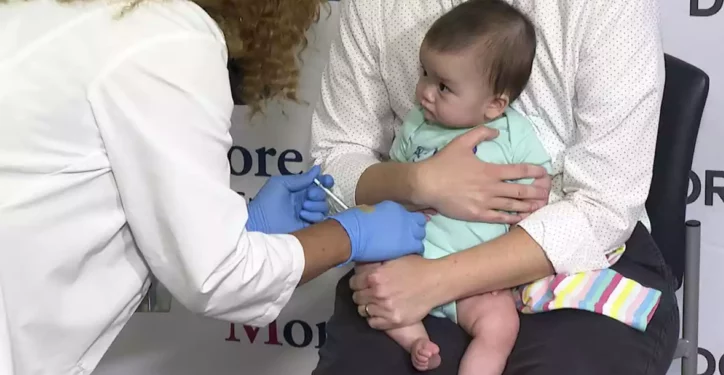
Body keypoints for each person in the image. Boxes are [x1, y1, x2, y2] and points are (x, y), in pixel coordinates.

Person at [0, 1, 428, 374]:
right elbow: (216, 277)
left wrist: (244, 225)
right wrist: (349, 234)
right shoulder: (163, 37)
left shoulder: (58, 15)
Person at [311, 0, 679, 374]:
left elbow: (605, 208)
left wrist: (437, 280)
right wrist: (419, 181)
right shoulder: (377, 9)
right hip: (417, 248)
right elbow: (335, 154)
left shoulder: (612, 8)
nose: (426, 93)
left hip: (582, 262)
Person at [378, 2, 550, 373]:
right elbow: (395, 178)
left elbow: (538, 183)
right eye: (424, 73)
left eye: (443, 86)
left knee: (501, 325)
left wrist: (534, 200)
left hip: (478, 277)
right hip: (411, 258)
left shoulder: (512, 133)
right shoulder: (415, 126)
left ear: (493, 104)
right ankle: (415, 339)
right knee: (369, 275)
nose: (425, 91)